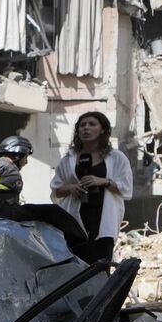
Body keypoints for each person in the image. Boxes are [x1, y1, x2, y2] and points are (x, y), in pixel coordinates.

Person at [51, 111, 132, 263]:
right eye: (82, 125)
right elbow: (57, 191)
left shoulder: (116, 158)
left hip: (103, 218)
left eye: (92, 124)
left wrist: (103, 181)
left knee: (100, 264)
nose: (86, 128)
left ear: (103, 129)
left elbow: (126, 189)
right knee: (75, 265)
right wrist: (71, 188)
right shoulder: (68, 159)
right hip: (74, 219)